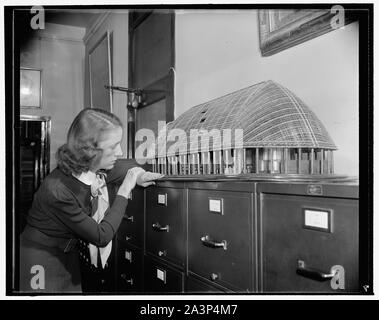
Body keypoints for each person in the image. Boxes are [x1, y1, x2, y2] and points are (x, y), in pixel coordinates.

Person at [19, 108, 162, 293]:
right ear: (89, 150)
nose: (119, 152)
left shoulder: (86, 166)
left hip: (67, 253)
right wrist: (125, 189)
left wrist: (140, 174)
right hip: (40, 259)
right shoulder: (57, 192)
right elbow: (101, 236)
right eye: (113, 146)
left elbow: (126, 164)